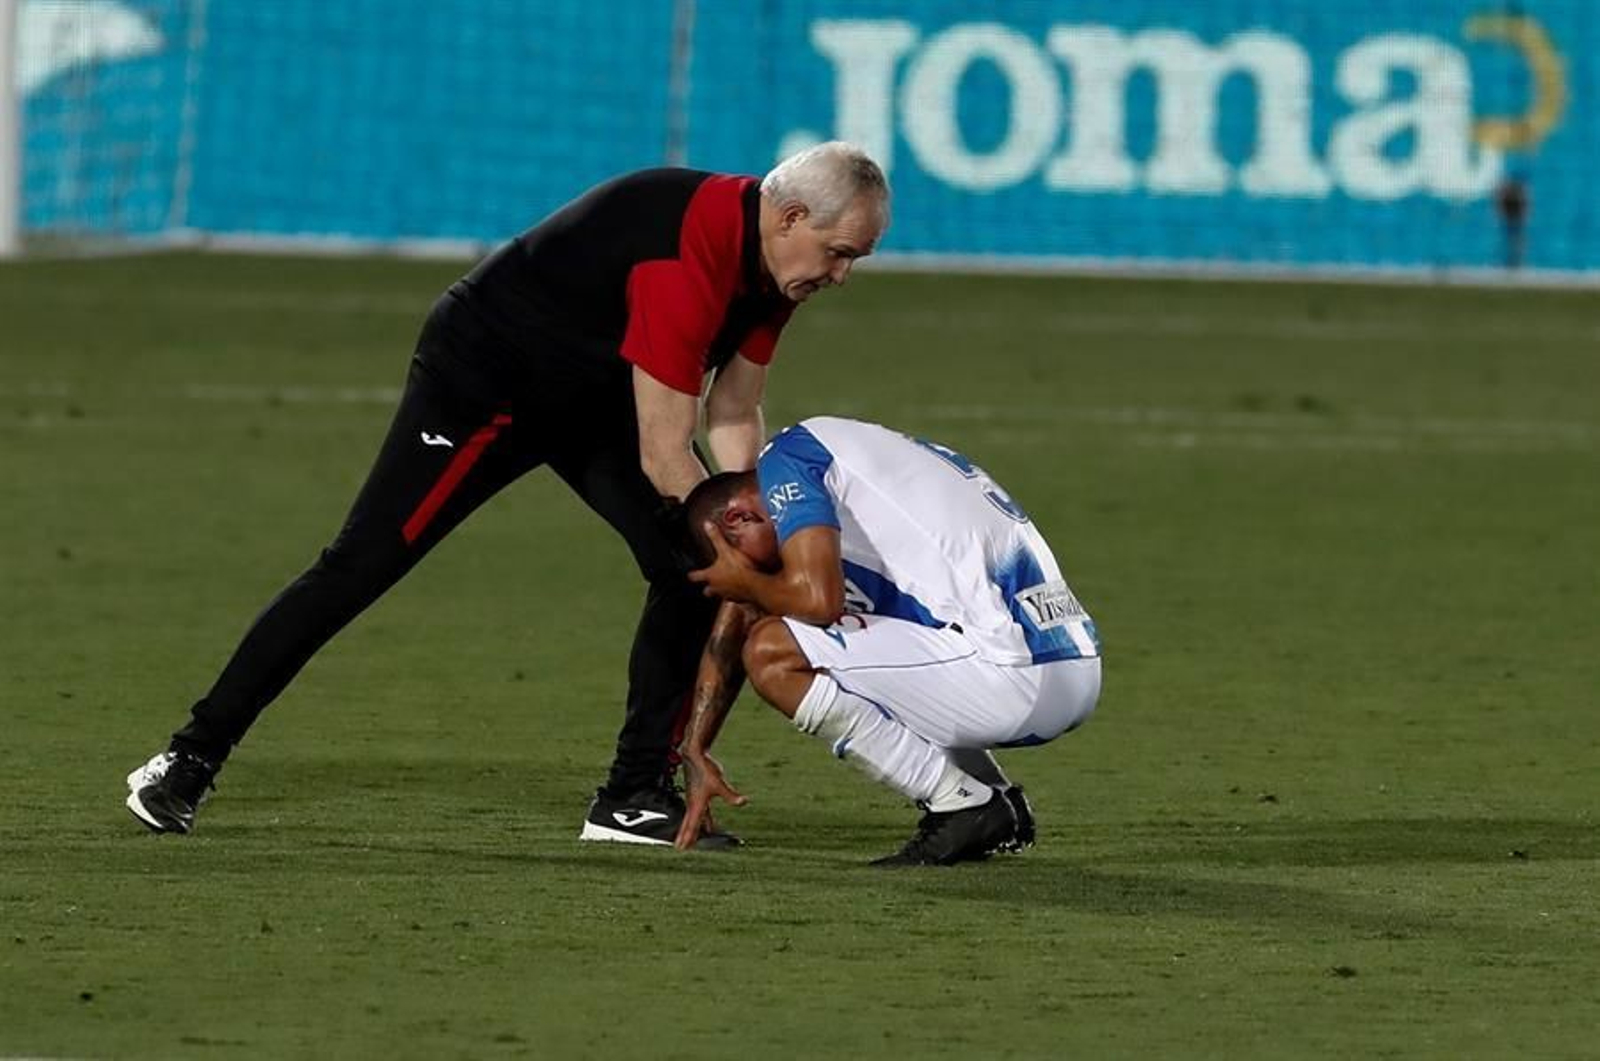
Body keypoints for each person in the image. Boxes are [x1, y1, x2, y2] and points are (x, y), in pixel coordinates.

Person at [124, 143, 891, 846]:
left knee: (690, 567)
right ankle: (187, 761)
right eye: (838, 253)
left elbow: (731, 414)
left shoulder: (776, 267)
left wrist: (767, 530)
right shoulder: (685, 252)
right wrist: (758, 567)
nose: (841, 275)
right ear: (791, 217)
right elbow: (666, 458)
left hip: (599, 397)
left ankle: (631, 798)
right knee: (361, 565)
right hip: (487, 381)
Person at [666, 416, 1103, 865]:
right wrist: (696, 746)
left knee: (772, 652)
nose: (755, 578)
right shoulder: (845, 474)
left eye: (741, 565)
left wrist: (748, 584)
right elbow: (746, 609)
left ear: (738, 517)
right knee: (839, 629)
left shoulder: (788, 459)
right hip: (1067, 665)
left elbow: (818, 602)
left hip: (1016, 677)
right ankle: (997, 799)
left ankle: (959, 803)